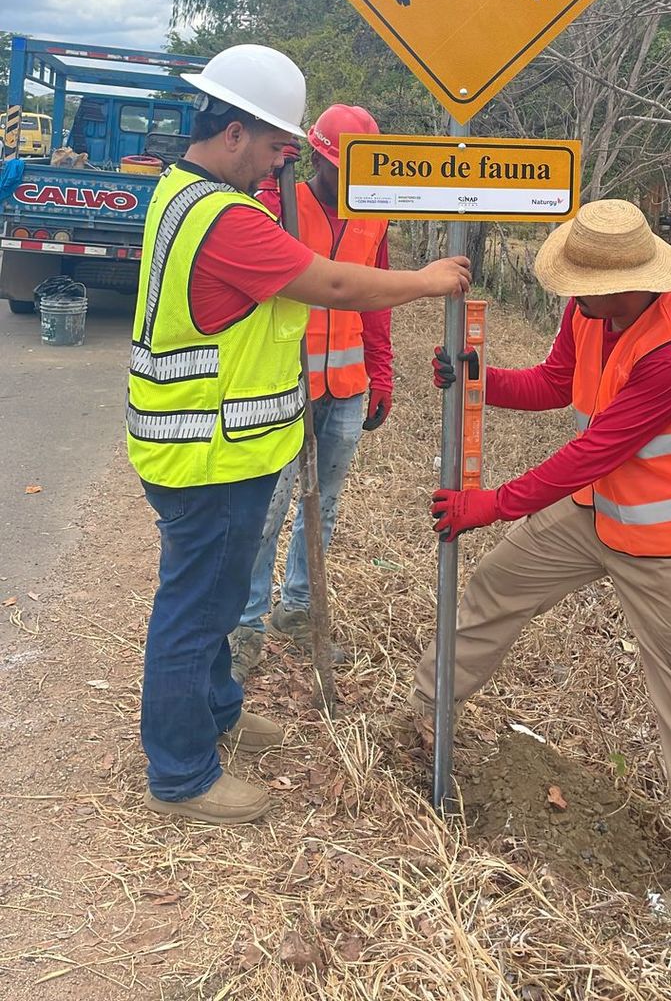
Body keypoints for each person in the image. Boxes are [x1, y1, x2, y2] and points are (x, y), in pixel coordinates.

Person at [127, 44, 470, 827]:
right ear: (235, 133)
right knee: (194, 612)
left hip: (215, 445)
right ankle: (180, 774)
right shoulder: (225, 219)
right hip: (206, 450)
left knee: (211, 602)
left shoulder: (185, 193)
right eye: (278, 147)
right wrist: (429, 281)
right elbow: (335, 284)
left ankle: (218, 712)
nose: (281, 165)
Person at [419, 199, 671, 918]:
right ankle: (422, 717)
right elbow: (556, 384)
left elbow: (595, 447)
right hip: (598, 510)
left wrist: (494, 502)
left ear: (630, 281)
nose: (570, 298)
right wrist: (481, 376)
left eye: (582, 289)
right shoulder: (589, 313)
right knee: (494, 587)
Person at [229, 103, 392, 681]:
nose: (357, 183)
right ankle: (246, 622)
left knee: (323, 503)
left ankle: (297, 608)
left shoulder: (375, 214)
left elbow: (376, 296)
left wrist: (382, 370)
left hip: (345, 385)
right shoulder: (277, 203)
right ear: (319, 158)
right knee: (268, 506)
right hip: (285, 381)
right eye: (348, 168)